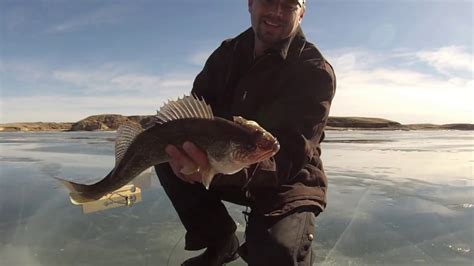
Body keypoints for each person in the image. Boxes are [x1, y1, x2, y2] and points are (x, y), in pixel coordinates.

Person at [155, 0, 336, 265]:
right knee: (166, 153)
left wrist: (236, 164)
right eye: (268, 1)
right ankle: (220, 240)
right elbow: (194, 117)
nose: (276, 11)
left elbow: (292, 153)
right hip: (226, 163)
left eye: (288, 5)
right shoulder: (226, 54)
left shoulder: (315, 70)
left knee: (278, 253)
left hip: (288, 178)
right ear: (250, 4)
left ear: (302, 13)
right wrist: (198, 160)